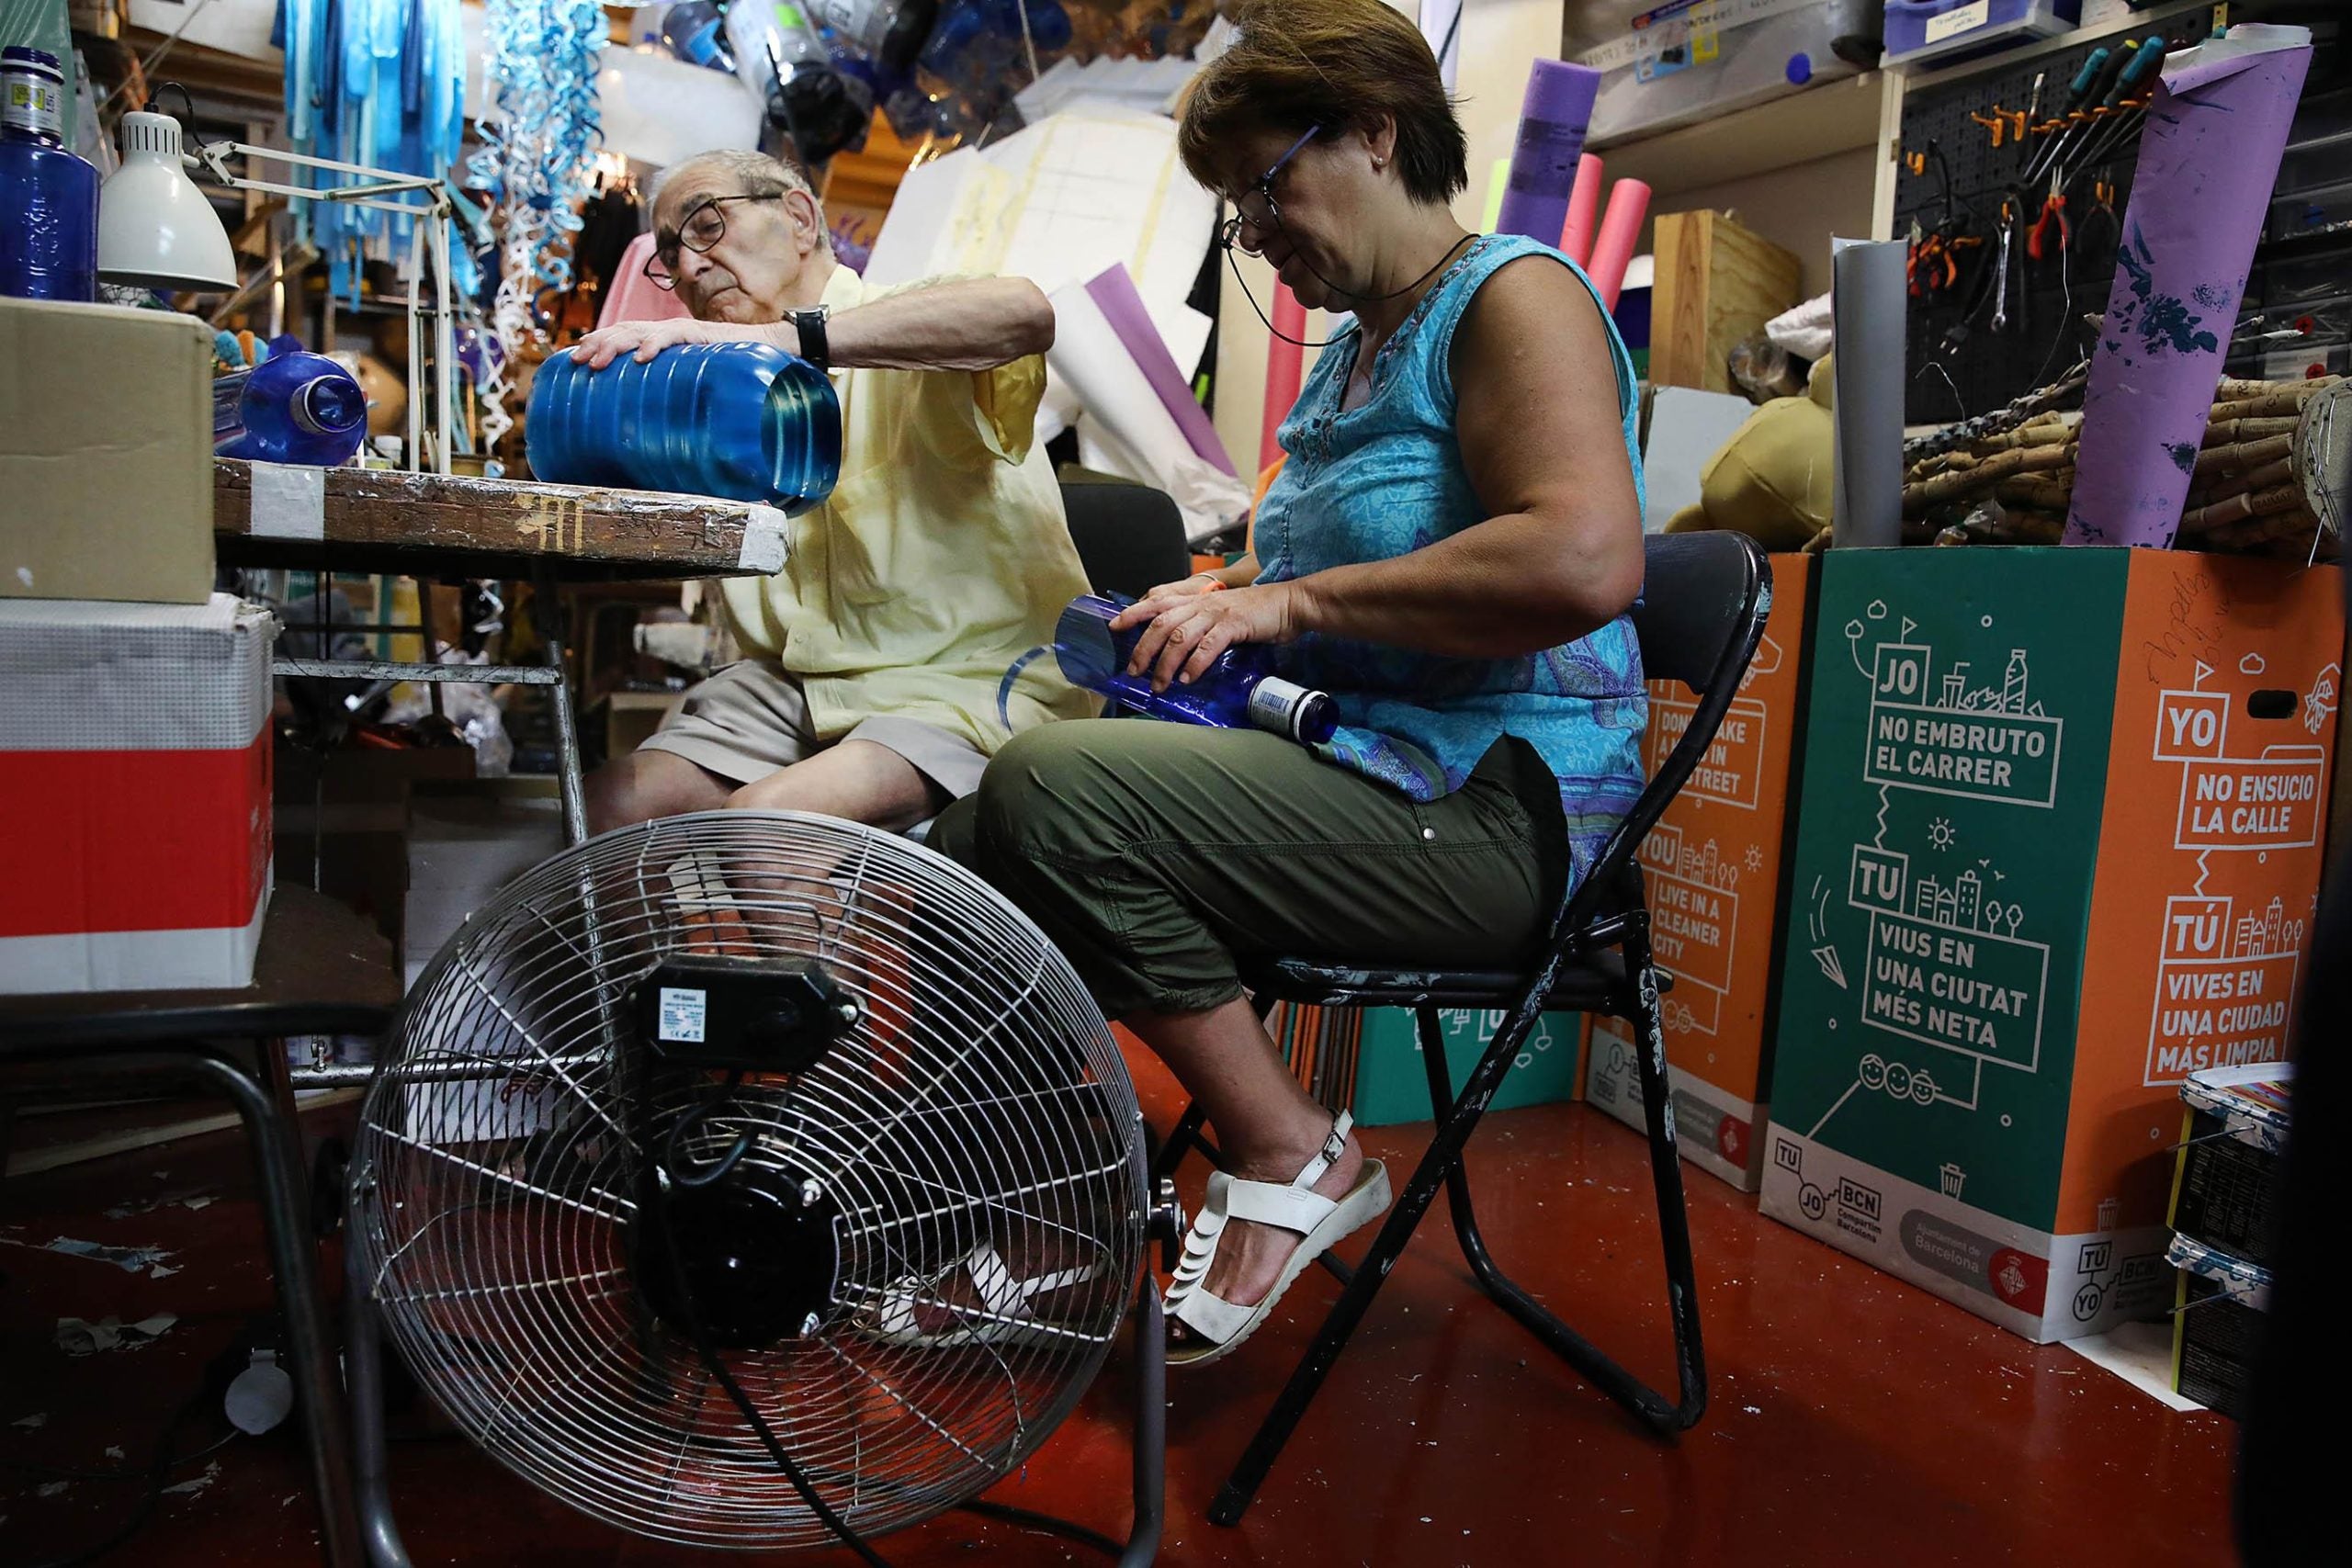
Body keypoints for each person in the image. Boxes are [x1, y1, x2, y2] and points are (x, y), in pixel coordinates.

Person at [930, 0, 1650, 1365]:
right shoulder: (1352, 361)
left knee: (1056, 793)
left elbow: (1586, 557)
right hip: (1371, 766)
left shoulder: (1515, 296)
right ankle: (1041, 1202)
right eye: (1237, 212)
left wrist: (1292, 597)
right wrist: (1226, 597)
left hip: (1502, 808)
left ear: (1377, 134)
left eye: (1264, 189)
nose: (1255, 237)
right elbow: (1326, 581)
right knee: (967, 838)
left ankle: (1295, 1150)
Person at [569, 149, 1095, 836]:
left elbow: (1024, 313)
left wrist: (787, 339)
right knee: (602, 809)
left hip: (962, 684)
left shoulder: (911, 326)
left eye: (705, 226)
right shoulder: (725, 400)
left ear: (799, 216)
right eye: (670, 253)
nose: (689, 267)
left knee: (765, 824)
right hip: (807, 687)